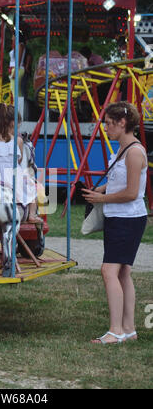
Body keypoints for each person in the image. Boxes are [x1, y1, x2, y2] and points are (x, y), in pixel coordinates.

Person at [82, 101, 148, 344]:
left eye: (109, 123)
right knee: (122, 273)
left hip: (127, 218)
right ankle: (128, 329)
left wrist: (102, 197)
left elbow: (132, 192)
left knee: (109, 271)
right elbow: (121, 183)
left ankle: (116, 330)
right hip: (121, 217)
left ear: (123, 123)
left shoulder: (133, 152)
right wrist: (98, 190)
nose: (106, 128)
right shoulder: (124, 149)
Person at [0, 103, 42, 223]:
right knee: (32, 188)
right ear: (13, 124)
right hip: (11, 175)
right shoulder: (18, 141)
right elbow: (18, 160)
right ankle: (31, 215)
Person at [9, 33, 27, 101]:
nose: (12, 38)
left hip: (17, 69)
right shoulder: (18, 45)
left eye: (13, 36)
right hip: (16, 69)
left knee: (16, 91)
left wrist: (15, 71)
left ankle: (18, 109)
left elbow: (18, 59)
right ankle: (18, 108)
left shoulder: (20, 45)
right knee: (15, 90)